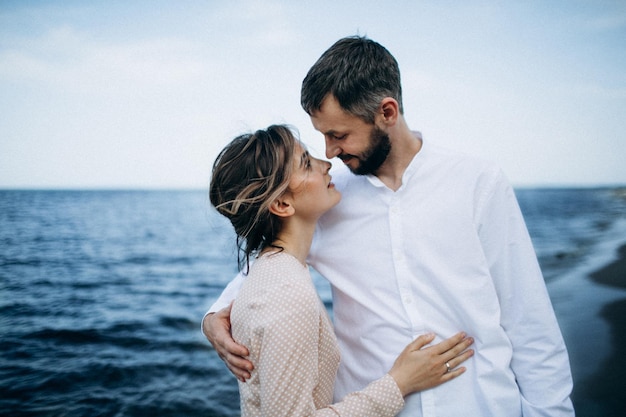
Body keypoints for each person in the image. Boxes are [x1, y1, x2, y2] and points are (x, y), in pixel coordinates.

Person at [205, 37, 575, 416]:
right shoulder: (326, 198)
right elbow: (277, 265)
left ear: (387, 112)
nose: (329, 152)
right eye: (323, 136)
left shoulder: (478, 182)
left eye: (339, 135)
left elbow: (529, 322)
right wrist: (216, 315)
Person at [209, 124, 474, 416]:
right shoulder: (287, 295)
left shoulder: (275, 272)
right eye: (307, 163)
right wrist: (399, 383)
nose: (326, 164)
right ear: (282, 204)